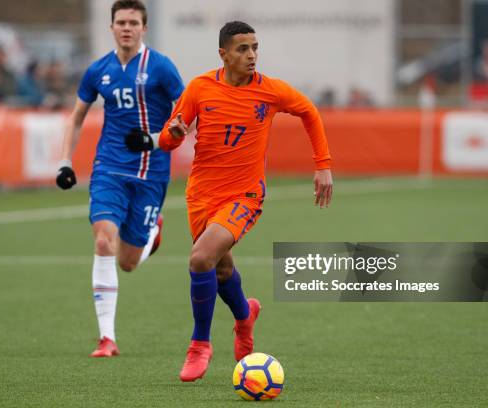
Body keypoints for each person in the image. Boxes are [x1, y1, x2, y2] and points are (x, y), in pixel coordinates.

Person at [128, 21, 333, 382]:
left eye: (255, 47)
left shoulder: (271, 91)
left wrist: (323, 167)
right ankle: (244, 316)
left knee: (200, 257)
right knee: (220, 270)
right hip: (201, 195)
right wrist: (174, 134)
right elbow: (168, 137)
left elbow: (309, 113)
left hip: (245, 194)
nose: (251, 55)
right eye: (242, 49)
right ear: (223, 54)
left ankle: (199, 345)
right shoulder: (200, 88)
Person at [56, 0, 184, 358]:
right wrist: (65, 162)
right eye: (120, 22)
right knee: (102, 243)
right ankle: (107, 338)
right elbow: (76, 118)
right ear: (111, 27)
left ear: (144, 28)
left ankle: (151, 234)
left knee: (127, 262)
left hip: (152, 173)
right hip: (109, 169)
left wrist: (155, 140)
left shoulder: (161, 67)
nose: (126, 28)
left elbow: (187, 117)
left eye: (133, 22)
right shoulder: (99, 70)